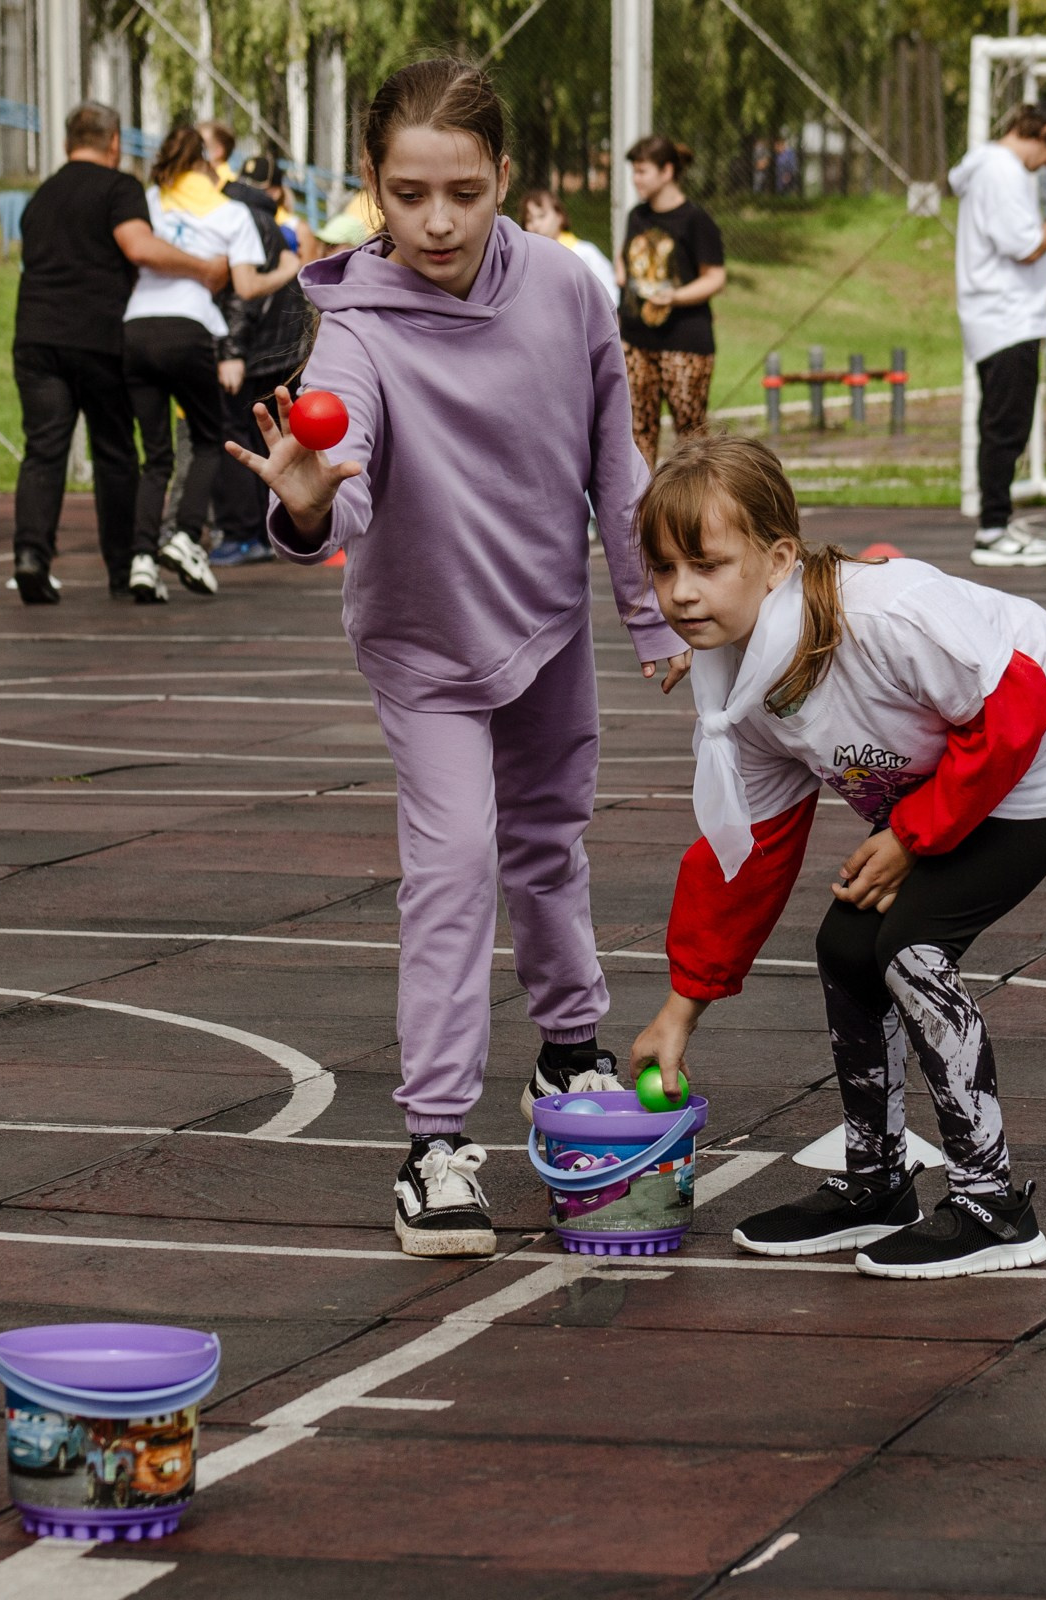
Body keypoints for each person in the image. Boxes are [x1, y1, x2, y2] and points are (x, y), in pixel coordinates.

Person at [227, 57, 686, 1259]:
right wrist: (311, 502)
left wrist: (646, 613)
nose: (436, 221)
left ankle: (570, 1052)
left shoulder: (571, 291)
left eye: (465, 193)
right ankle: (433, 1140)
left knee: (550, 845)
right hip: (425, 639)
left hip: (544, 620)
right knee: (457, 860)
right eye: (409, 192)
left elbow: (611, 462)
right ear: (371, 187)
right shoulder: (354, 333)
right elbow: (345, 481)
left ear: (505, 184)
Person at [627, 434, 1046, 1280]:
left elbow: (1019, 708)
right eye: (662, 568)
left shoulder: (882, 616)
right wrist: (681, 1010)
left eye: (707, 565)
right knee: (845, 945)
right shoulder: (740, 690)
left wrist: (913, 836)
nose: (680, 593)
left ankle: (993, 1203)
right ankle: (877, 1184)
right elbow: (745, 854)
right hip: (952, 780)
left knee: (911, 948)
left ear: (778, 557)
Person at [11, 102, 230, 606]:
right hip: (98, 337)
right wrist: (201, 269)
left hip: (36, 335)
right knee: (114, 452)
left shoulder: (40, 198)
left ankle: (30, 556)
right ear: (113, 143)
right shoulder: (119, 187)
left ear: (69, 143)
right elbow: (138, 247)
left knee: (44, 448)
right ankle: (121, 566)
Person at [122, 124, 280, 604]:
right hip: (189, 328)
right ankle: (187, 536)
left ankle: (142, 558)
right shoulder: (231, 211)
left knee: (155, 455)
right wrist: (294, 266)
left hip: (136, 325)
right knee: (209, 439)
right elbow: (248, 288)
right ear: (208, 165)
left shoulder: (150, 200)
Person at [946, 104, 1046, 569]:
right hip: (1007, 315)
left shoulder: (987, 167)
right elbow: (1028, 247)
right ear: (1045, 133)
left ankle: (997, 524)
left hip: (1001, 314)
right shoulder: (1003, 172)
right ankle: (991, 530)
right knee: (1005, 427)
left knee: (1004, 423)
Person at [207, 152, 306, 568]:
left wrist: (230, 351)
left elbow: (239, 297)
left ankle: (243, 532)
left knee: (235, 440)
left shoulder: (240, 222)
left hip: (252, 353)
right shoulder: (273, 227)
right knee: (270, 442)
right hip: (280, 352)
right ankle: (267, 528)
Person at [616, 135, 725, 464]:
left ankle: (691, 511)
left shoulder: (695, 220)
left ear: (666, 172)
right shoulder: (637, 216)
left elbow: (715, 277)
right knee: (638, 431)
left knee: (691, 439)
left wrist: (673, 296)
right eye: (634, 171)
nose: (636, 179)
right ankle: (640, 511)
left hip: (684, 344)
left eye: (642, 171)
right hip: (636, 341)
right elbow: (627, 259)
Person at [519, 188, 616, 305]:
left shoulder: (585, 253)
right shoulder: (524, 262)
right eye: (529, 220)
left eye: (541, 216)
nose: (536, 224)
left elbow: (610, 297)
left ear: (559, 216)